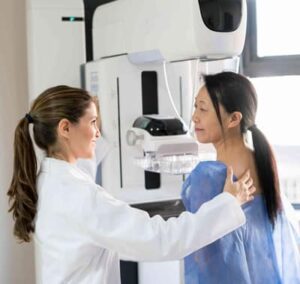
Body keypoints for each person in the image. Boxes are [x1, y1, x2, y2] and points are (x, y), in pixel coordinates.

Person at [7, 85, 255, 284]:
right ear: (65, 128)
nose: (96, 133)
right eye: (93, 122)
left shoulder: (49, 180)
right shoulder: (77, 195)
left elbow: (87, 172)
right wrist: (228, 204)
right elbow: (163, 241)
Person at [181, 72, 300, 284]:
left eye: (203, 109)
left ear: (234, 119)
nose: (194, 117)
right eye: (195, 107)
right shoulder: (263, 164)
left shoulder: (208, 177)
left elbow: (200, 255)